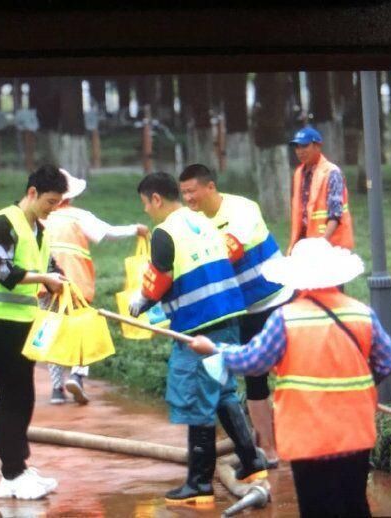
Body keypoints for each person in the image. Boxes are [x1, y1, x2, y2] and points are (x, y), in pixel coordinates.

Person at [188, 238, 391, 517]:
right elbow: (388, 359)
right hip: (355, 433)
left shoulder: (286, 319)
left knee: (316, 508)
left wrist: (215, 349)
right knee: (355, 504)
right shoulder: (362, 314)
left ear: (297, 281)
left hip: (309, 437)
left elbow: (253, 361)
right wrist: (361, 386)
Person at [128, 172, 268, 507]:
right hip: (230, 315)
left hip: (199, 325)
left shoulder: (165, 232)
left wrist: (140, 301)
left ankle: (199, 484)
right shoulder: (202, 220)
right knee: (222, 391)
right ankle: (252, 464)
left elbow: (159, 278)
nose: (147, 211)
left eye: (146, 205)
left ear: (156, 200)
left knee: (196, 397)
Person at [179, 163, 294, 467]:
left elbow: (230, 251)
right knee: (254, 378)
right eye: (183, 194)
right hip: (240, 308)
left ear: (210, 187)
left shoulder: (242, 209)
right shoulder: (190, 221)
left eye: (192, 191)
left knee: (291, 371)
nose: (188, 198)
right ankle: (269, 450)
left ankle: (300, 439)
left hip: (276, 299)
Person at [0, 164, 67, 500]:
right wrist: (44, 280)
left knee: (23, 395)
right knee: (12, 396)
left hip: (23, 323)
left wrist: (58, 281)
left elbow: (48, 268)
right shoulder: (3, 223)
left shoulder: (38, 230)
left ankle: (19, 467)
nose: (53, 208)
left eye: (57, 202)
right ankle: (10, 474)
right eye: (50, 201)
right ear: (32, 193)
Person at [43, 168, 149, 405]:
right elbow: (107, 233)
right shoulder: (78, 216)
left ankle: (56, 389)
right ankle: (78, 376)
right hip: (75, 283)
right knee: (82, 330)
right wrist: (136, 229)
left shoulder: (42, 216)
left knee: (52, 332)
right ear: (70, 196)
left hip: (45, 285)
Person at [288, 126, 354, 253]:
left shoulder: (332, 172)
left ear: (317, 146)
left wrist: (322, 244)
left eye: (304, 146)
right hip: (305, 244)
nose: (299, 151)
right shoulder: (298, 173)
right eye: (297, 147)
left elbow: (335, 213)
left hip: (331, 245)